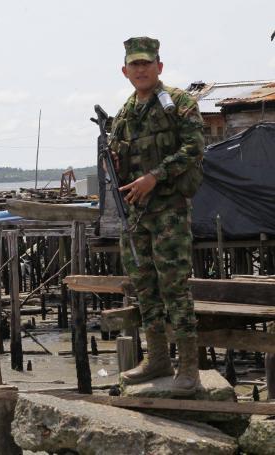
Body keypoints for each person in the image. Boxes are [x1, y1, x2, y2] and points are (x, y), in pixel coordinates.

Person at [109, 37, 204, 396]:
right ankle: (158, 359)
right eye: (134, 64)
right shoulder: (124, 114)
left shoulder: (179, 103)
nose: (141, 69)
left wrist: (155, 176)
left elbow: (195, 149)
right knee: (145, 287)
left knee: (174, 287)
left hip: (169, 211)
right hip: (136, 215)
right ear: (125, 71)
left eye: (147, 63)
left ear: (159, 67)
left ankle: (189, 369)